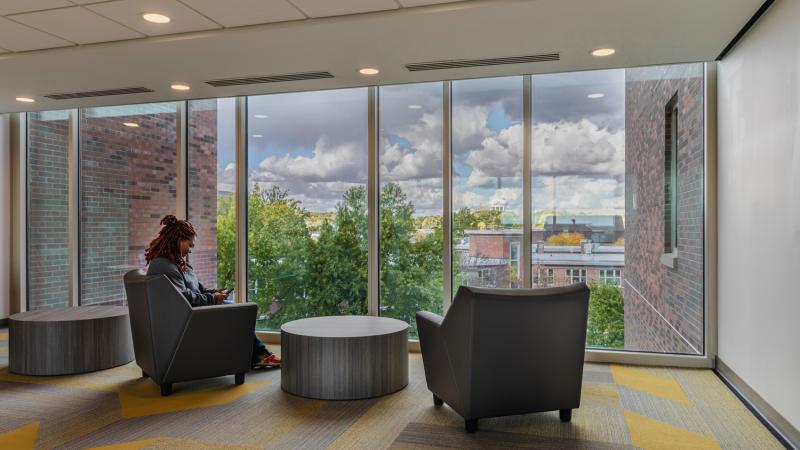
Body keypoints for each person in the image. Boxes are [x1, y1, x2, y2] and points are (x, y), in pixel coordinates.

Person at [144, 214, 281, 368]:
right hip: (188, 320)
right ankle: (260, 355)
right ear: (179, 240)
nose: (190, 250)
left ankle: (253, 355)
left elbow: (196, 289)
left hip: (192, 314)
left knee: (235, 308)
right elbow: (184, 298)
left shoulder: (174, 263)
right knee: (239, 313)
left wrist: (214, 292)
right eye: (190, 245)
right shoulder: (164, 266)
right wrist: (213, 299)